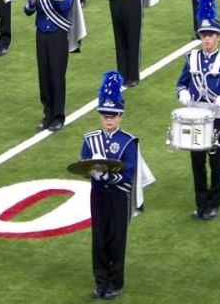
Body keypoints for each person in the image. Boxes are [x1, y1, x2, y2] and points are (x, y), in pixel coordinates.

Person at [176, 0, 220, 220]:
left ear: (218, 37)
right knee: (197, 161)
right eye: (204, 34)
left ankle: (214, 203)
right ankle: (200, 202)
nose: (206, 39)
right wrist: (183, 93)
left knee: (215, 161)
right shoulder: (191, 58)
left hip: (215, 118)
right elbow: (181, 84)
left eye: (211, 35)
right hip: (195, 116)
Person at [82, 71, 139, 300]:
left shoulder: (128, 141)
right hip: (98, 195)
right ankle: (101, 281)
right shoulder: (90, 139)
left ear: (121, 116)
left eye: (113, 115)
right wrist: (95, 174)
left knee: (116, 238)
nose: (108, 119)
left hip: (118, 196)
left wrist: (108, 177)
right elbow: (84, 162)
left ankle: (116, 282)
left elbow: (130, 171)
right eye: (105, 115)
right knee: (99, 237)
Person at [24, 0, 85, 132]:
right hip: (41, 33)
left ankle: (58, 115)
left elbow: (64, 5)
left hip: (58, 34)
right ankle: (47, 113)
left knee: (57, 76)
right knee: (44, 75)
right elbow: (28, 10)